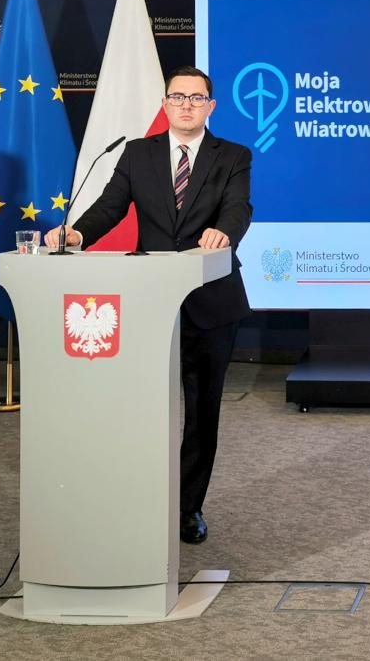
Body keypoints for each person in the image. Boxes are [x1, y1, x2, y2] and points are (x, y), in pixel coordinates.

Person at [45, 66, 252, 544]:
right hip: (149, 301)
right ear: (164, 103)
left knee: (201, 411)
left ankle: (186, 508)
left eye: (196, 98)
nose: (186, 105)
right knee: (141, 409)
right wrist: (78, 233)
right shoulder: (138, 153)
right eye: (177, 97)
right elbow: (109, 207)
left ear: (210, 106)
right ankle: (138, 500)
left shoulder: (233, 156)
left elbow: (239, 208)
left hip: (211, 300)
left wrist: (224, 233)